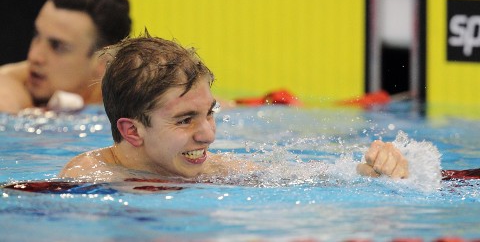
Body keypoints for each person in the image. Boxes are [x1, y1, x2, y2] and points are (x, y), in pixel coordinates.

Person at [59, 34, 409, 182]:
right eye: (185, 120)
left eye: (209, 113)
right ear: (131, 130)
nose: (209, 134)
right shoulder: (88, 178)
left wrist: (375, 170)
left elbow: (315, 179)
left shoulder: (214, 169)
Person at [0, 0, 131, 113]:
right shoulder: (10, 88)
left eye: (57, 46)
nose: (34, 56)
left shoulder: (134, 111)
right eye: (36, 36)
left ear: (103, 62)